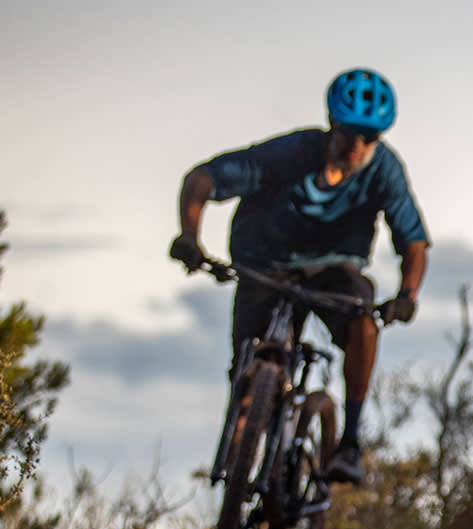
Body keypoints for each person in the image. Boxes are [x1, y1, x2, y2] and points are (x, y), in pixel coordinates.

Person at [169, 67, 431, 485]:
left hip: (334, 269)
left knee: (365, 321)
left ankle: (349, 441)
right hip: (265, 265)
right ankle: (235, 484)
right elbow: (203, 179)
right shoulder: (291, 153)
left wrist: (408, 293)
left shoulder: (384, 170)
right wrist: (189, 236)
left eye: (371, 137)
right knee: (250, 369)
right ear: (333, 126)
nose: (359, 145)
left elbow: (414, 242)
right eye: (350, 133)